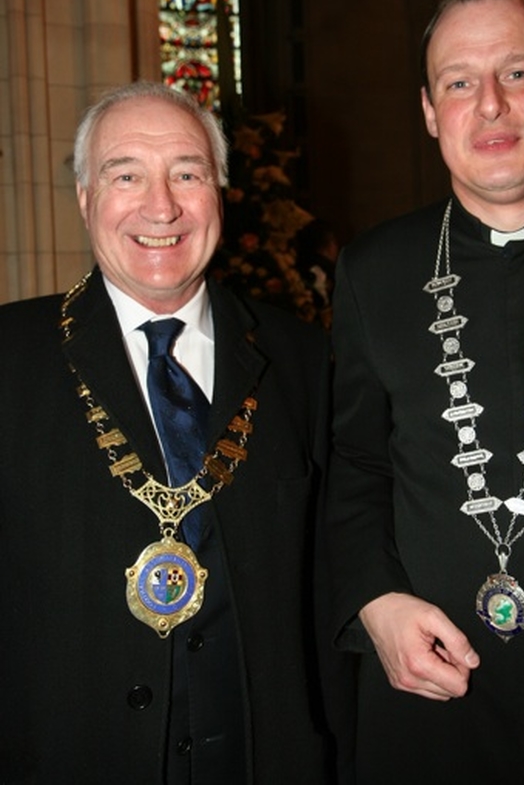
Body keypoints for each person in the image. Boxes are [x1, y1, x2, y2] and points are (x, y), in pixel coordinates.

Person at [326, 0, 524, 782]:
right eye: (459, 82)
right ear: (430, 112)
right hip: (432, 710)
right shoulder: (372, 271)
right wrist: (375, 601)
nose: (490, 105)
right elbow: (352, 467)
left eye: (518, 72)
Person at [0, 81, 340, 784]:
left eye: (187, 173)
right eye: (127, 174)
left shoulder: (308, 361)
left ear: (219, 192)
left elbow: (338, 573)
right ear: (87, 198)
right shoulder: (9, 356)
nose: (162, 206)